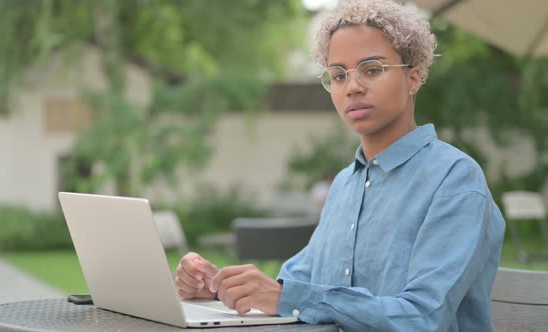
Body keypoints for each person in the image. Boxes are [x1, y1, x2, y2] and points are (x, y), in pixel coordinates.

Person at [174, 0, 506, 330]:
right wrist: (220, 288)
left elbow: (421, 318)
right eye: (338, 75)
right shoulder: (346, 183)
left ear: (414, 78)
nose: (352, 87)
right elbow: (293, 283)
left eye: (372, 69)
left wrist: (284, 298)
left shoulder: (454, 180)